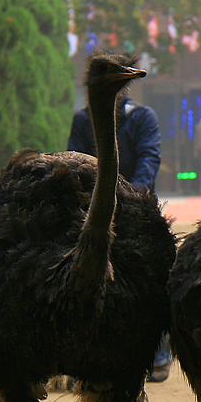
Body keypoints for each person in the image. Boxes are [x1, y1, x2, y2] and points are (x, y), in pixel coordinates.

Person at [66, 78, 174, 382]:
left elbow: (149, 159)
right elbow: (74, 157)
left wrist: (131, 194)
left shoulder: (142, 117)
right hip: (92, 205)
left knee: (150, 272)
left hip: (136, 203)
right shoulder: (82, 119)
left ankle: (158, 351)